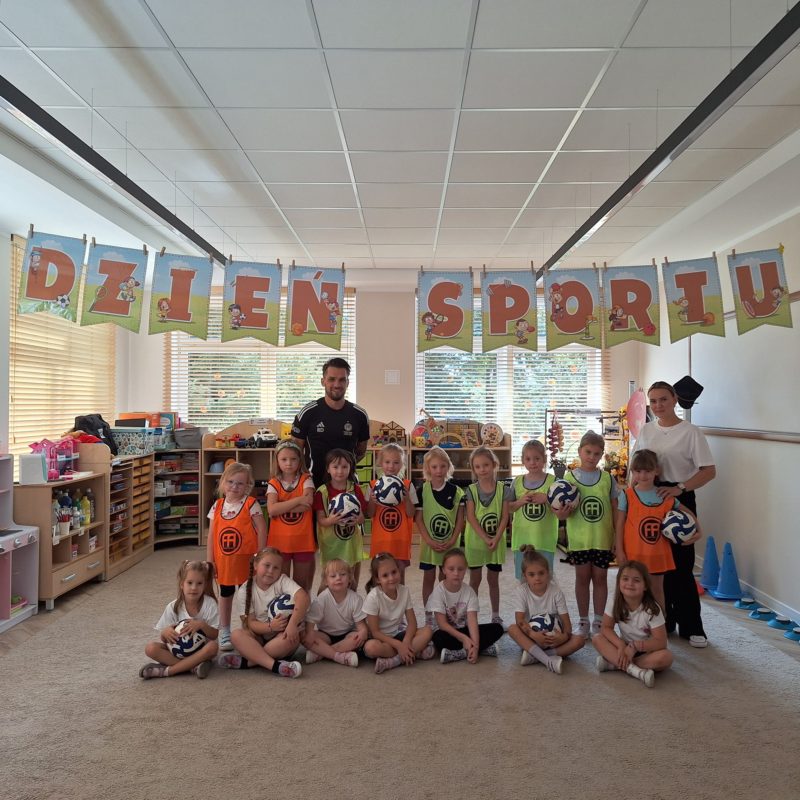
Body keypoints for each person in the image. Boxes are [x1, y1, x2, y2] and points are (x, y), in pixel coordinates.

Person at [631, 379, 716, 647]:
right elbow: (636, 468)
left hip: (679, 495)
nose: (658, 405)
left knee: (681, 566)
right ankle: (664, 622)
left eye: (663, 400)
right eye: (653, 401)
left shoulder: (691, 432)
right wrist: (631, 498)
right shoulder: (646, 430)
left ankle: (692, 627)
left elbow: (708, 471)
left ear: (674, 400)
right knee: (657, 567)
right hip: (650, 497)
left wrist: (679, 488)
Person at [615, 448, 700, 613]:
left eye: (648, 471)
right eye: (638, 471)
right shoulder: (627, 495)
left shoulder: (665, 495)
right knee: (630, 591)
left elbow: (687, 512)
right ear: (632, 472)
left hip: (658, 555)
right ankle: (632, 623)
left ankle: (659, 624)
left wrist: (698, 528)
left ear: (656, 471)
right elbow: (620, 524)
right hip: (633, 554)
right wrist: (619, 549)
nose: (643, 475)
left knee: (657, 591)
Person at [562, 431, 620, 639]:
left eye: (596, 454)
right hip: (579, 540)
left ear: (602, 455)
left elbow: (615, 509)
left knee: (601, 578)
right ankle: (583, 620)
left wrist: (617, 537)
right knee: (582, 578)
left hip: (602, 539)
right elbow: (561, 509)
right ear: (579, 451)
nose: (591, 457)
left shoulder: (608, 479)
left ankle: (598, 621)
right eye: (588, 452)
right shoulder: (568, 479)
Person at [217, 548, 309, 678]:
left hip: (281, 637)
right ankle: (275, 666)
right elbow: (251, 623)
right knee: (236, 635)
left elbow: (303, 597)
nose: (271, 571)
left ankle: (249, 662)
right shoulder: (245, 589)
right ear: (255, 565)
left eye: (276, 568)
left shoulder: (282, 581)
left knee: (290, 640)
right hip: (258, 637)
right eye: (267, 565)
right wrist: (271, 626)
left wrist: (292, 625)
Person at [206, 462, 266, 652]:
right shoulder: (217, 506)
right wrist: (210, 560)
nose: (234, 486)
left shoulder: (251, 504)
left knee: (246, 597)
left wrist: (261, 555)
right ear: (223, 482)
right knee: (225, 594)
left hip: (247, 561)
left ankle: (247, 629)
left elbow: (262, 529)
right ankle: (224, 629)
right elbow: (211, 536)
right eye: (230, 482)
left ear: (247, 486)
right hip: (224, 562)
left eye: (240, 483)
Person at [291, 357, 370, 487]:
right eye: (332, 379)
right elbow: (295, 451)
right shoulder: (308, 413)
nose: (337, 385)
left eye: (342, 380)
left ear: (347, 383)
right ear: (323, 381)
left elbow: (360, 452)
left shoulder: (359, 415)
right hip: (313, 486)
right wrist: (304, 478)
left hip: (348, 486)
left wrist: (342, 469)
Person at [593, 561, 673, 688]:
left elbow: (661, 642)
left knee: (666, 657)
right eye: (625, 579)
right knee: (597, 638)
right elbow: (606, 628)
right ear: (618, 582)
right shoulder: (614, 601)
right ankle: (637, 671)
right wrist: (620, 645)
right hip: (624, 648)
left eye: (636, 580)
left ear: (645, 586)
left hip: (647, 651)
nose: (630, 584)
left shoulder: (652, 609)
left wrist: (635, 646)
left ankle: (616, 664)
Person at [507, 545, 584, 674]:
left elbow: (567, 625)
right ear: (525, 576)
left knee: (579, 640)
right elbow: (520, 620)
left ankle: (535, 656)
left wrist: (563, 638)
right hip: (532, 638)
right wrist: (533, 635)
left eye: (541, 573)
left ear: (548, 573)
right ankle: (547, 660)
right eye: (532, 574)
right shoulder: (521, 591)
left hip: (554, 640)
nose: (537, 578)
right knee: (512, 629)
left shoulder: (556, 592)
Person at [140, 559, 219, 679]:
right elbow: (164, 639)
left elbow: (214, 634)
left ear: (205, 585)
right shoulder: (173, 607)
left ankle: (168, 671)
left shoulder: (210, 604)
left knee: (213, 647)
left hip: (201, 650)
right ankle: (193, 666)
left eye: (199, 583)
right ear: (182, 584)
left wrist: (201, 625)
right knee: (150, 648)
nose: (194, 587)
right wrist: (165, 633)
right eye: (190, 583)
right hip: (177, 652)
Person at [427, 548, 504, 664]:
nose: (456, 573)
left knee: (497, 628)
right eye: (451, 569)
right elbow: (442, 624)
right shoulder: (438, 592)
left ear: (465, 569)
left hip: (465, 630)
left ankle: (464, 652)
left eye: (460, 569)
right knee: (437, 637)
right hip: (449, 632)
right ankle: (479, 648)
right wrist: (464, 638)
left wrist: (475, 647)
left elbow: (472, 621)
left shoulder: (469, 592)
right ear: (443, 570)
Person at [362, 552, 435, 674]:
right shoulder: (373, 597)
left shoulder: (404, 591)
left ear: (399, 570)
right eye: (385, 575)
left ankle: (395, 660)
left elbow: (412, 623)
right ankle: (412, 652)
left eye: (394, 572)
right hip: (383, 639)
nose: (391, 578)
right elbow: (375, 632)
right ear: (377, 579)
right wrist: (399, 645)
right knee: (371, 648)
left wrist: (406, 642)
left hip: (400, 634)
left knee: (428, 630)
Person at [414, 446, 465, 611]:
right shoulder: (422, 491)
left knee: (446, 580)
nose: (438, 470)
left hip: (449, 545)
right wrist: (429, 541)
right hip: (429, 546)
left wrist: (452, 540)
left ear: (448, 467)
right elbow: (418, 519)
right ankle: (429, 613)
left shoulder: (457, 492)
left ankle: (446, 612)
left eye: (443, 466)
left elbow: (460, 519)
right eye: (434, 467)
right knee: (428, 578)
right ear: (428, 468)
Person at [464, 446, 510, 626]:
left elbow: (505, 517)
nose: (482, 469)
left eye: (486, 465)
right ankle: (471, 615)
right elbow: (471, 517)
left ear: (494, 465)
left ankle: (495, 615)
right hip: (476, 543)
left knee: (493, 580)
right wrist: (485, 538)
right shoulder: (471, 490)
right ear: (473, 469)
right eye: (477, 466)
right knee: (475, 580)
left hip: (496, 543)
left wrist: (496, 538)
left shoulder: (503, 489)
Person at [313, 448, 367, 591]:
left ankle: (351, 604)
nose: (340, 471)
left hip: (350, 544)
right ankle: (323, 604)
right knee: (328, 581)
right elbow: (321, 520)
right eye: (335, 467)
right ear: (328, 469)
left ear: (350, 468)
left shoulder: (355, 489)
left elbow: (362, 518)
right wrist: (331, 520)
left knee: (351, 580)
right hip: (331, 545)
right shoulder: (322, 492)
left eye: (344, 467)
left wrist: (358, 519)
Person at [266, 440, 316, 592]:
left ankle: (301, 608)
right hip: (279, 542)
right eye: (284, 459)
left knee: (301, 586)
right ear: (277, 461)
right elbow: (272, 510)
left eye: (293, 459)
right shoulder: (274, 482)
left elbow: (307, 504)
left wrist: (281, 505)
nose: (289, 463)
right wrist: (299, 499)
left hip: (303, 540)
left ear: (300, 460)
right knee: (281, 584)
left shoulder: (306, 479)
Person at [366, 443, 418, 581]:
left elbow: (411, 514)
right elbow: (369, 514)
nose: (391, 466)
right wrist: (372, 500)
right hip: (380, 541)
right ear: (381, 463)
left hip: (400, 541)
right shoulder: (373, 486)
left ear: (402, 464)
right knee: (379, 577)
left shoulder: (407, 485)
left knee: (399, 577)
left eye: (396, 462)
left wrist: (407, 499)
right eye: (387, 462)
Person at [303, 559, 367, 667]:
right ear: (326, 581)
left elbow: (361, 626)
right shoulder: (322, 599)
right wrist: (309, 633)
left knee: (358, 637)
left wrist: (363, 632)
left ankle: (321, 653)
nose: (338, 578)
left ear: (350, 578)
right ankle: (339, 655)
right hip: (325, 635)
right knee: (304, 635)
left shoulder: (356, 599)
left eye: (343, 574)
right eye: (333, 576)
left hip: (347, 634)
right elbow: (310, 621)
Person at [508, 440, 558, 578]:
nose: (533, 462)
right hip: (522, 541)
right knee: (523, 578)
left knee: (544, 578)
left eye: (537, 458)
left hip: (544, 540)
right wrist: (520, 501)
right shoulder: (516, 482)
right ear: (523, 460)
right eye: (528, 459)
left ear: (544, 459)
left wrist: (547, 499)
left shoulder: (554, 481)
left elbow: (561, 511)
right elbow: (509, 508)